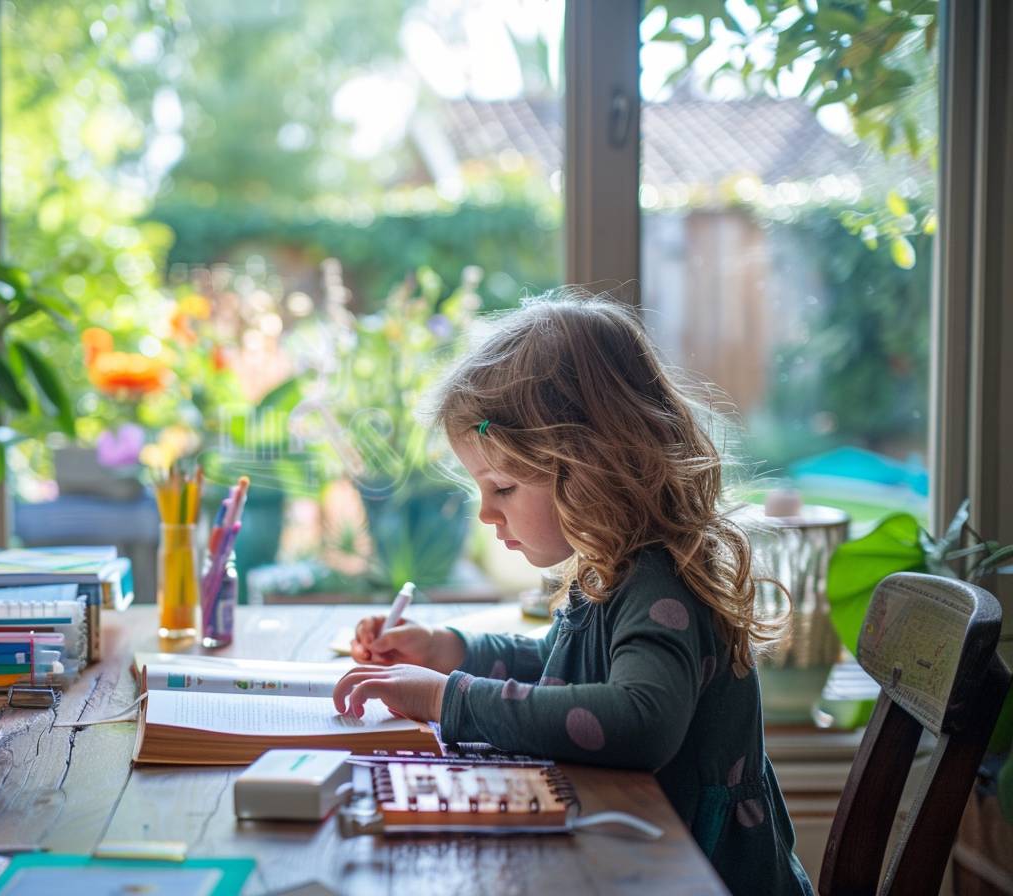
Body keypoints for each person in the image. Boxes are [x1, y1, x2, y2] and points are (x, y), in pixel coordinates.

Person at [332, 293, 813, 895]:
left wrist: (447, 701)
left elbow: (639, 720)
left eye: (503, 487)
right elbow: (556, 667)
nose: (485, 513)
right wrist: (443, 649)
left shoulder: (659, 579)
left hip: (701, 877)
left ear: (587, 466)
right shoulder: (615, 566)